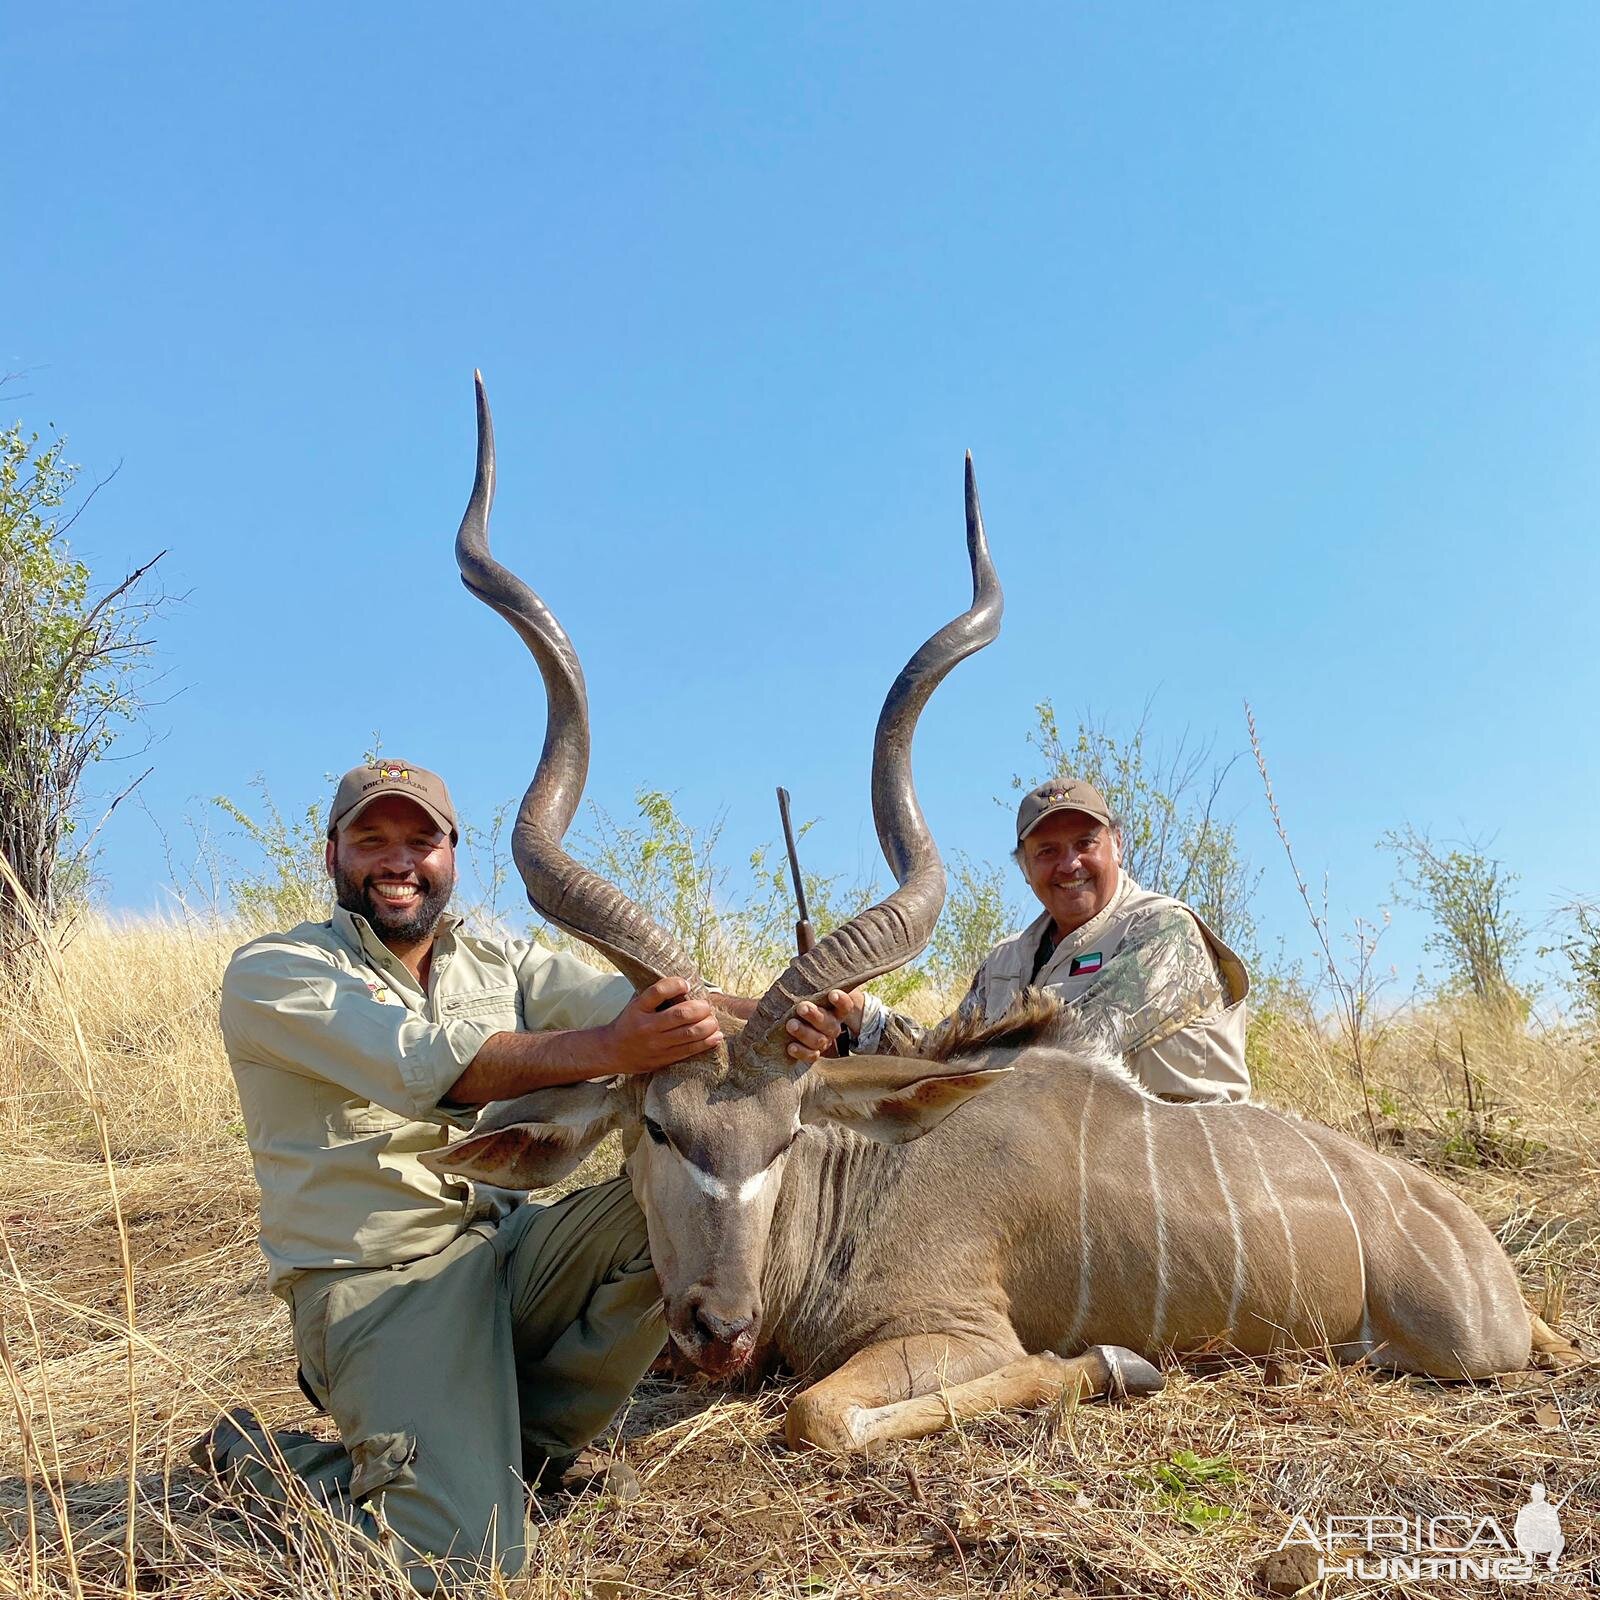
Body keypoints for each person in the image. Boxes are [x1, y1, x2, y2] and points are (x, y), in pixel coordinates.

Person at [196, 760, 839, 1589]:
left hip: (507, 1254)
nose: (399, 861)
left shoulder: (497, 960)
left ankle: (513, 1451)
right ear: (331, 857)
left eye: (420, 841)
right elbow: (426, 1065)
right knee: (463, 1563)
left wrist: (798, 1016)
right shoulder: (276, 972)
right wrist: (611, 1050)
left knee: (673, 1208)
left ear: (451, 857)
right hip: (383, 1289)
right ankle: (263, 1462)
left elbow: (661, 1006)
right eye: (372, 840)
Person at [826, 777, 1251, 1102]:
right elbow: (939, 1058)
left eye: (1085, 843)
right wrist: (861, 1019)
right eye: (1047, 851)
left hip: (1191, 1178)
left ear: (1117, 846)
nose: (1069, 864)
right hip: (1075, 1168)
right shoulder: (1006, 960)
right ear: (1025, 868)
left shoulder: (1164, 929)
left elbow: (1068, 1055)